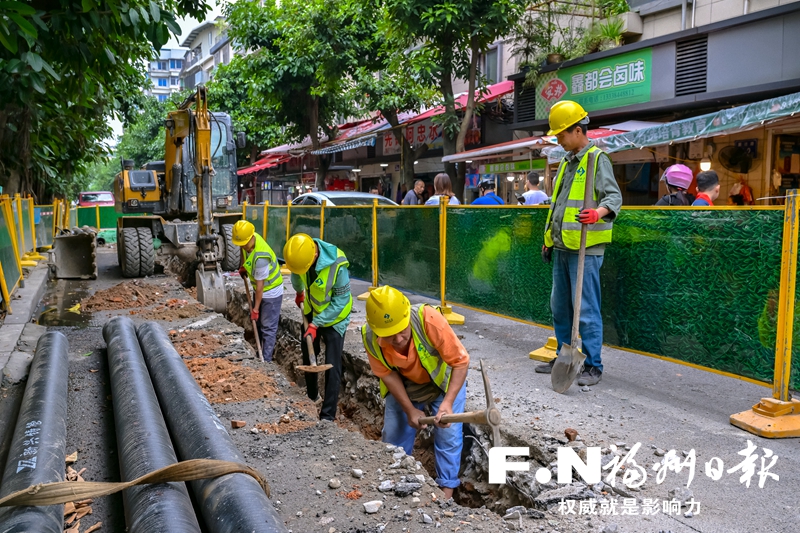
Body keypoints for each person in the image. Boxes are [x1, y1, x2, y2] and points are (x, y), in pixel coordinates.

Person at [536, 100, 622, 387]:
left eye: (561, 134)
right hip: (563, 245)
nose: (558, 140)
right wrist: (549, 239)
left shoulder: (598, 159)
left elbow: (614, 198)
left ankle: (594, 366)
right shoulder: (565, 162)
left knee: (585, 309)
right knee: (560, 308)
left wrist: (598, 212)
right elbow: (557, 206)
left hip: (585, 249)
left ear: (577, 130)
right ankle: (564, 356)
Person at [361, 286, 468, 499]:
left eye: (402, 330)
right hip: (406, 385)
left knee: (448, 436)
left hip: (442, 382)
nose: (399, 339)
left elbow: (460, 361)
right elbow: (388, 375)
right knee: (394, 435)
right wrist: (409, 410)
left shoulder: (428, 319)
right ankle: (396, 485)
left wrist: (447, 404)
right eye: (390, 336)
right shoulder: (371, 337)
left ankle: (446, 494)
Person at [284, 233, 352, 421]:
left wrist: (316, 323)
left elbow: (340, 302)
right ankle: (312, 396)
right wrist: (299, 293)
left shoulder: (338, 264)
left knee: (332, 364)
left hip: (335, 317)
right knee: (307, 349)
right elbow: (297, 275)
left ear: (314, 256)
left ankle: (328, 415)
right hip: (312, 310)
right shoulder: (300, 254)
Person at [232, 220, 283, 362]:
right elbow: (242, 249)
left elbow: (260, 288)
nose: (241, 246)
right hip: (260, 290)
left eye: (243, 243)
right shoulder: (247, 239)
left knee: (268, 327)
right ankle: (259, 352)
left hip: (271, 292)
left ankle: (265, 361)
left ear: (250, 238)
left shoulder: (261, 257)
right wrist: (242, 266)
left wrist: (255, 309)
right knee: (260, 324)